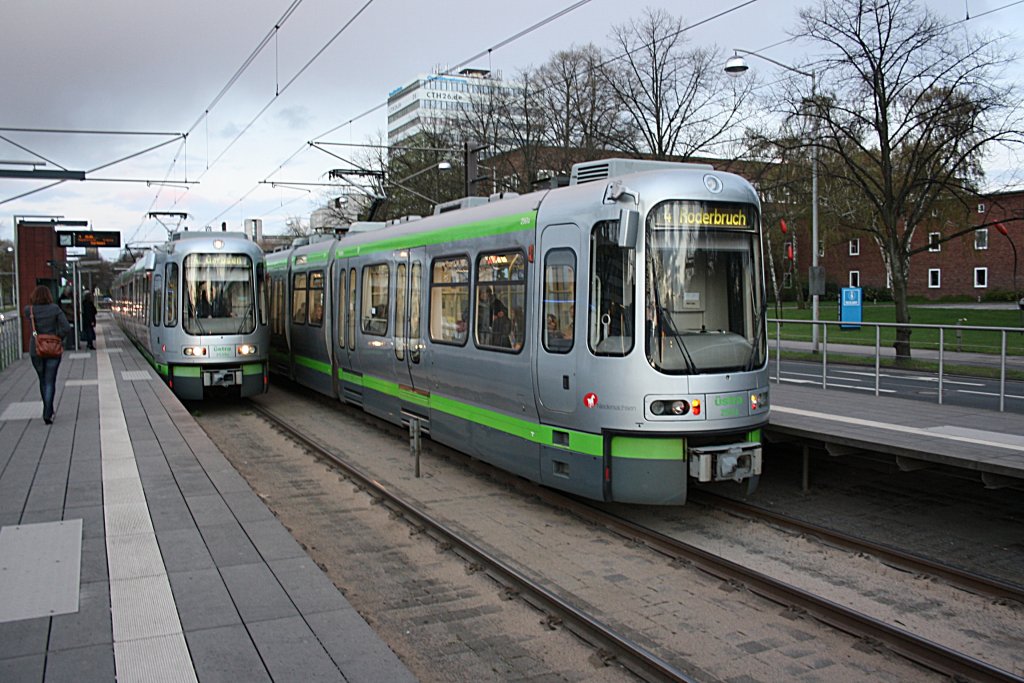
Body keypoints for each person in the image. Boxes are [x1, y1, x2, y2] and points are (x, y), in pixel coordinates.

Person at [24, 285, 71, 425]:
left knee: (42, 380)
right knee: (50, 381)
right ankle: (48, 412)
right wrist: (58, 338)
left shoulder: (29, 310)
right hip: (52, 348)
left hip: (36, 350)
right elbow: (66, 328)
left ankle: (47, 408)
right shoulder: (55, 309)